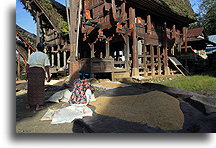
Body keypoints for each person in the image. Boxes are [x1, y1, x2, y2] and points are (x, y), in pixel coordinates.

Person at [26, 42, 51, 110]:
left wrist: (27, 73)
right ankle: (38, 105)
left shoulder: (32, 54)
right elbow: (46, 66)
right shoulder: (44, 55)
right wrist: (48, 76)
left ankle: (29, 104)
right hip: (39, 72)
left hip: (31, 71)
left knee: (31, 87)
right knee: (39, 88)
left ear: (37, 48)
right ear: (43, 49)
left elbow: (27, 65)